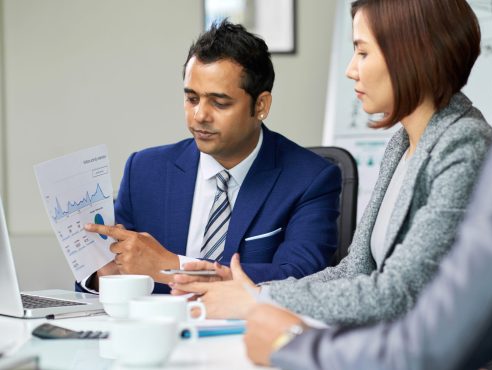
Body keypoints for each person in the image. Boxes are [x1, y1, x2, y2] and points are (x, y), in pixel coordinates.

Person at [243, 0, 492, 368]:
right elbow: (359, 269)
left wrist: (288, 343)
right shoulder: (401, 143)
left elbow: (427, 326)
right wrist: (262, 294)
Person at [169, 0, 492, 325]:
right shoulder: (402, 144)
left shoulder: (464, 146)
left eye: (363, 52)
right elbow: (355, 270)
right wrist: (252, 290)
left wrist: (257, 300)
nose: (351, 69)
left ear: (414, 53)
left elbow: (399, 292)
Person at [83, 20, 342, 294]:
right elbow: (105, 271)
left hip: (248, 332)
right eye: (192, 99)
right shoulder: (145, 170)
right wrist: (105, 275)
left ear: (261, 105)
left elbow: (300, 277)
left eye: (219, 103)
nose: (200, 116)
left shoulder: (311, 179)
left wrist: (172, 266)